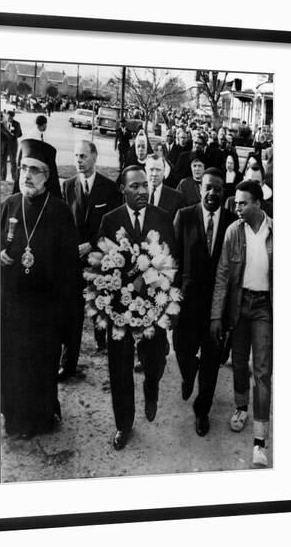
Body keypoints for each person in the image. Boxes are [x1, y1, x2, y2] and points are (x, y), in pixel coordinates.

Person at [0, 139, 80, 439]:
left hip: (44, 310)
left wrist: (65, 319)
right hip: (12, 306)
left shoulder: (59, 213)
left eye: (35, 170)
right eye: (23, 168)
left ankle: (40, 419)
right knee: (12, 363)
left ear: (47, 176)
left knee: (39, 365)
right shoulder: (9, 204)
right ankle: (15, 418)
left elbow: (70, 269)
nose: (27, 175)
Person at [98, 166, 176, 450]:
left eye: (145, 185)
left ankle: (152, 387)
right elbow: (99, 263)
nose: (142, 191)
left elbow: (172, 262)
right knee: (119, 368)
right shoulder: (110, 220)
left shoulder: (162, 219)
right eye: (135, 187)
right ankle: (124, 424)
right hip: (120, 308)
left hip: (153, 307)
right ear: (123, 189)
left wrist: (147, 279)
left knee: (154, 359)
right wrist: (117, 292)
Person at [211, 180, 273, 466]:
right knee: (238, 363)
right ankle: (240, 407)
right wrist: (216, 315)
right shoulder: (233, 232)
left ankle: (260, 440)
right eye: (235, 202)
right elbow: (223, 275)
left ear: (258, 204)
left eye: (242, 203)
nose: (236, 207)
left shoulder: (277, 232)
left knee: (261, 371)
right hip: (239, 307)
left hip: (264, 309)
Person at [172, 168, 236, 436]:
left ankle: (202, 411)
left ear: (224, 192)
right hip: (187, 305)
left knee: (211, 362)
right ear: (200, 188)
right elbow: (173, 259)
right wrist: (172, 300)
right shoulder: (184, 216)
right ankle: (188, 374)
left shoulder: (233, 223)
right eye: (208, 187)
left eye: (218, 189)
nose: (212, 193)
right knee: (183, 350)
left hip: (215, 308)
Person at [60, 140, 121, 381]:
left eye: (83, 156)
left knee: (100, 307)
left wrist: (93, 244)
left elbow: (114, 225)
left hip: (98, 259)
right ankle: (69, 363)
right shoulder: (67, 186)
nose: (79, 161)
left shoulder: (108, 188)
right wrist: (71, 246)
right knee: (73, 314)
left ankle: (106, 350)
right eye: (76, 156)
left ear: (94, 157)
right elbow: (63, 223)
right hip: (73, 262)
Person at [145, 153, 182, 220]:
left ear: (164, 171)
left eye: (158, 170)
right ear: (145, 170)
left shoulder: (176, 197)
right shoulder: (135, 194)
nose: (154, 174)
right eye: (151, 169)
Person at [0, 110, 22, 182]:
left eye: (11, 117)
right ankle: (2, 178)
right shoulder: (2, 123)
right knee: (3, 161)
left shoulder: (16, 124)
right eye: (8, 116)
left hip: (12, 145)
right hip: (4, 145)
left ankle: (14, 178)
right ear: (6, 115)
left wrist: (13, 134)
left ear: (13, 117)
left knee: (13, 162)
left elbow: (19, 134)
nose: (9, 118)